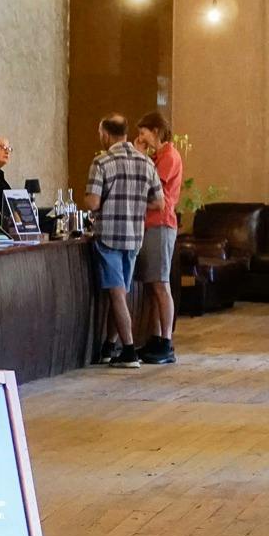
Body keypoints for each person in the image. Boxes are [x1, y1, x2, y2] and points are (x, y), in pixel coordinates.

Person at [82, 114, 163, 369]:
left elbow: (93, 202)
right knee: (119, 291)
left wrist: (98, 202)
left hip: (109, 236)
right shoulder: (146, 162)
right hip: (134, 237)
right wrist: (135, 203)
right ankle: (109, 346)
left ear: (105, 134)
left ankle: (128, 351)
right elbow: (159, 203)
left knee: (116, 294)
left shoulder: (102, 162)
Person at [132, 112, 183, 365]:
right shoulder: (155, 157)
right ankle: (154, 337)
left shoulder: (169, 157)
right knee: (152, 285)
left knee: (161, 284)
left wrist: (140, 157)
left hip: (161, 224)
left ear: (156, 130)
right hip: (148, 225)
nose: (140, 138)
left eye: (143, 132)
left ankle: (166, 340)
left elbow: (152, 190)